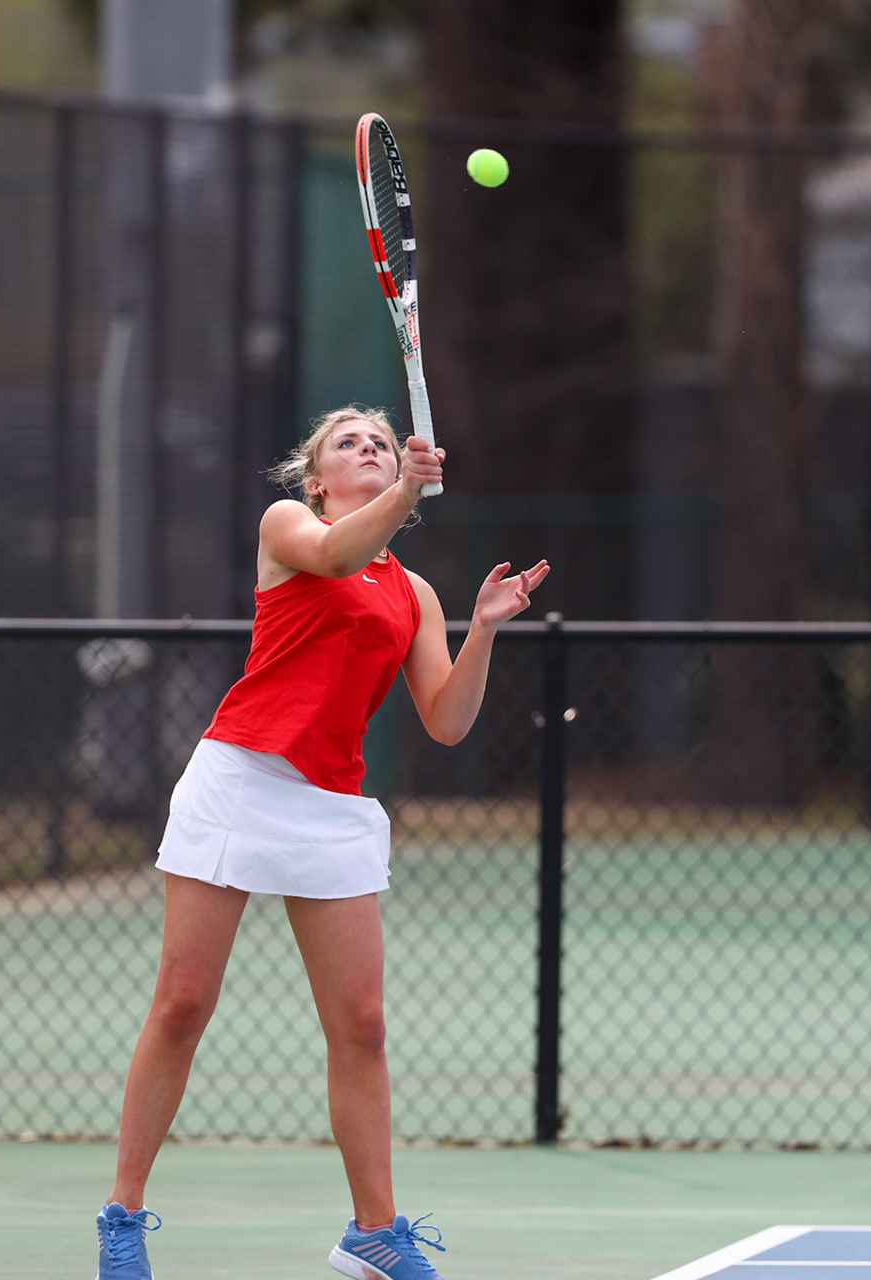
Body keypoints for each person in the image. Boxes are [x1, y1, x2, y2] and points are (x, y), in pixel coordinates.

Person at [93, 406, 550, 1279]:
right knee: (183, 1004)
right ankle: (122, 1217)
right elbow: (338, 557)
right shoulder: (290, 528)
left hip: (331, 806)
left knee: (363, 1027)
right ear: (317, 481)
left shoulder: (415, 594)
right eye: (349, 443)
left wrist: (485, 628)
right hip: (238, 779)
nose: (368, 448)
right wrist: (408, 488)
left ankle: (374, 1233)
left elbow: (447, 721)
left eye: (380, 441)